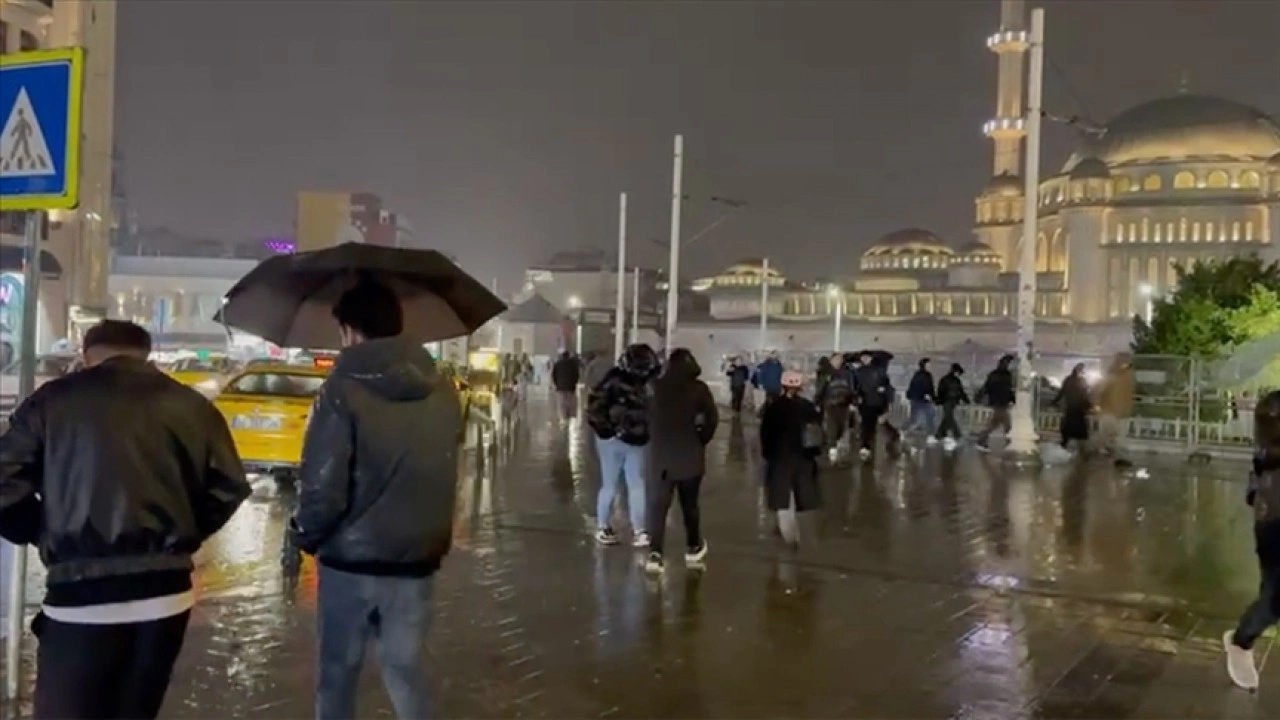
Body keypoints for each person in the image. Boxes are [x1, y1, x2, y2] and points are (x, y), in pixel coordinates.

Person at [0, 320, 250, 720]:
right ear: (145, 354)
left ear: (87, 354)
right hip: (165, 597)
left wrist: (42, 531)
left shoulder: (54, 401)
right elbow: (229, 486)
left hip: (80, 595)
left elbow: (4, 483)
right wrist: (180, 534)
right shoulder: (191, 405)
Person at [292, 281, 463, 720]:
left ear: (350, 330)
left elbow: (323, 487)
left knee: (338, 673)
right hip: (417, 556)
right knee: (406, 669)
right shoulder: (442, 389)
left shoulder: (341, 390)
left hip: (351, 561)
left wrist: (303, 535)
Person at [1224, 389, 1280, 691]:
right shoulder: (1266, 453)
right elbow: (1253, 492)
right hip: (1273, 527)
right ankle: (1241, 641)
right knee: (1274, 600)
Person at [645, 348, 718, 573]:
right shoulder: (699, 389)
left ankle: (655, 553)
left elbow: (645, 417)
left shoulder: (655, 387)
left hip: (661, 458)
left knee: (658, 507)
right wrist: (700, 440)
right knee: (690, 505)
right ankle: (693, 548)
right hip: (690, 457)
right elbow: (712, 419)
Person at [587, 343, 659, 547]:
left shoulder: (611, 380)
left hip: (613, 441)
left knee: (610, 484)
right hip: (635, 440)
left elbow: (594, 409)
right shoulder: (648, 385)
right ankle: (639, 531)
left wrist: (606, 431)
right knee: (635, 484)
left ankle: (603, 527)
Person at [760, 371, 822, 546]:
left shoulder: (774, 407)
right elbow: (816, 432)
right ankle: (804, 536)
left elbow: (765, 433)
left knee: (782, 497)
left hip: (780, 457)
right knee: (804, 495)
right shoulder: (808, 407)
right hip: (803, 457)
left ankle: (788, 535)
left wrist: (768, 453)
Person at [1094, 352, 1135, 465]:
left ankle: (1114, 456)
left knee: (1113, 436)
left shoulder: (1121, 377)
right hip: (1112, 412)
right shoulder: (1116, 377)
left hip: (1116, 413)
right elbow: (1100, 391)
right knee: (1111, 436)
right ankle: (1112, 455)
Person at [853, 351, 892, 461]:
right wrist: (856, 399)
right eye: (863, 358)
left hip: (877, 401)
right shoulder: (858, 372)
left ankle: (871, 444)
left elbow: (886, 385)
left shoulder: (878, 371)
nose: (865, 359)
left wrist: (885, 395)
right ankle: (866, 445)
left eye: (867, 357)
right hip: (866, 402)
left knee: (877, 423)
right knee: (867, 424)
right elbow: (855, 387)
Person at [817, 356, 855, 461]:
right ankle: (832, 448)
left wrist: (852, 402)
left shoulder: (846, 374)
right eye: (836, 360)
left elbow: (851, 388)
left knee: (842, 426)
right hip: (830, 404)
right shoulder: (826, 373)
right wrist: (818, 402)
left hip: (844, 404)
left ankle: (836, 443)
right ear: (831, 361)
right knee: (831, 426)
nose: (838, 362)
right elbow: (820, 388)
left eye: (840, 360)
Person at [975, 354, 1016, 451]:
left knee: (995, 423)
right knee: (1005, 424)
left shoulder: (994, 374)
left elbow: (986, 387)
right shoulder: (1006, 375)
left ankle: (982, 440)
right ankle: (1010, 443)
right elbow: (1008, 389)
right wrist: (1012, 399)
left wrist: (979, 396)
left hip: (996, 401)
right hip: (1001, 402)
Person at [1053, 363, 1092, 452]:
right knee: (1080, 430)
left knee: (1068, 428)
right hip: (1079, 409)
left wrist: (1054, 401)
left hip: (1071, 408)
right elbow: (1085, 395)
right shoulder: (1082, 381)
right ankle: (1080, 450)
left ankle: (1065, 446)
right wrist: (1089, 405)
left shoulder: (1068, 380)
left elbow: (1062, 392)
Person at [935, 363, 970, 450]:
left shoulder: (945, 379)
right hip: (950, 401)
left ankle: (939, 435)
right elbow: (960, 392)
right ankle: (957, 435)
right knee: (949, 418)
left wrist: (938, 400)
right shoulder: (955, 381)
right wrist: (966, 400)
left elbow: (940, 391)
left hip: (948, 401)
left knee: (947, 417)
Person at [905, 357, 938, 444]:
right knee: (929, 417)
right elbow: (929, 388)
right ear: (924, 365)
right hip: (923, 400)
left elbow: (913, 387)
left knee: (914, 418)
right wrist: (932, 398)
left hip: (917, 399)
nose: (930, 366)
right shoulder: (926, 375)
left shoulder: (917, 375)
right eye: (929, 364)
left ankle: (903, 431)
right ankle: (930, 436)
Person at [551, 350, 581, 419]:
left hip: (560, 387)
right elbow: (576, 375)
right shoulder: (573, 365)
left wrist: (556, 384)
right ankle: (570, 415)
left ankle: (563, 416)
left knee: (561, 403)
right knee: (569, 402)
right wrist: (574, 383)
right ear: (568, 356)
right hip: (570, 387)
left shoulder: (558, 364)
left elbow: (554, 375)